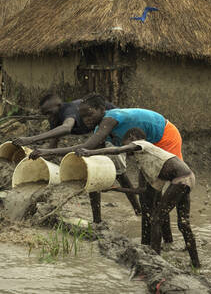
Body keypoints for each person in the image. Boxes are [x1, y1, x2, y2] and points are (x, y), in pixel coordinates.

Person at [29, 94, 183, 243]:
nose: (86, 120)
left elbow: (86, 146)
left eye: (89, 114)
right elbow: (92, 157)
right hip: (146, 144)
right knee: (149, 197)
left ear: (101, 109)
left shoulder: (110, 119)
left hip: (164, 137)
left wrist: (47, 151)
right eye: (82, 116)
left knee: (152, 196)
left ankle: (157, 243)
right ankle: (157, 242)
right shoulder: (99, 128)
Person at [75, 127, 200, 268]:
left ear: (133, 138)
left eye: (126, 143)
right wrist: (115, 189)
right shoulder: (151, 164)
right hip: (187, 178)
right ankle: (196, 263)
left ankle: (156, 260)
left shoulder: (143, 145)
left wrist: (90, 152)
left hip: (180, 180)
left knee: (157, 219)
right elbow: (143, 190)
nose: (125, 148)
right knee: (183, 224)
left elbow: (117, 150)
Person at [13, 93, 141, 219]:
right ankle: (97, 220)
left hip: (114, 130)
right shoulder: (55, 119)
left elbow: (67, 128)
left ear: (58, 106)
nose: (49, 117)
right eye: (45, 114)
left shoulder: (68, 110)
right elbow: (52, 148)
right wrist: (34, 163)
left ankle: (138, 210)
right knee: (92, 172)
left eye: (50, 112)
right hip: (98, 131)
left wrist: (31, 139)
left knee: (119, 172)